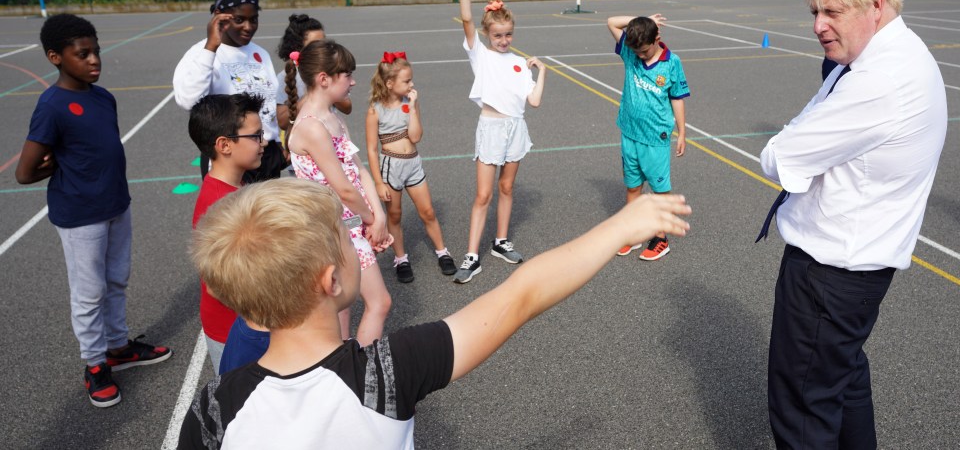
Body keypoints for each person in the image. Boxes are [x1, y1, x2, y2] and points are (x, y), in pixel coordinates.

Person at [179, 178, 692, 448]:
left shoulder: (211, 412)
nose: (359, 244)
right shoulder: (385, 372)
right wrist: (620, 227)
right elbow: (520, 295)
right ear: (332, 282)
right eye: (349, 239)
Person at [757, 0, 947, 449]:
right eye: (814, 12)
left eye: (832, 12)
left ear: (877, 5)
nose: (819, 24)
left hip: (829, 272)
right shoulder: (888, 56)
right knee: (841, 387)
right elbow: (808, 130)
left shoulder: (879, 82)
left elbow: (781, 156)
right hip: (855, 269)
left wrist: (791, 136)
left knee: (803, 410)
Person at [15, 14, 171, 408]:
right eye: (81, 54)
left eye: (95, 51)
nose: (93, 60)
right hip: (80, 214)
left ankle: (117, 347)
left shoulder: (102, 97)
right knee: (89, 294)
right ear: (56, 57)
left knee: (117, 279)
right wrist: (53, 168)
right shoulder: (52, 106)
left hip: (116, 204)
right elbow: (23, 172)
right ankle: (95, 364)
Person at [285, 39, 393, 346]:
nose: (353, 81)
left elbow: (358, 171)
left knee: (342, 306)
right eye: (346, 74)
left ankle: (343, 364)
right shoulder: (311, 127)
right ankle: (358, 369)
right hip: (335, 231)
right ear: (324, 79)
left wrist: (378, 217)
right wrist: (372, 219)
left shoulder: (334, 118)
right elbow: (343, 189)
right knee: (379, 302)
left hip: (354, 226)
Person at [453, 0, 546, 284]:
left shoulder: (520, 63)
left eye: (508, 34)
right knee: (483, 195)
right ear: (487, 34)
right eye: (498, 35)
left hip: (515, 129)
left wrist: (543, 71)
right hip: (491, 128)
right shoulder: (481, 55)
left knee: (507, 187)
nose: (504, 40)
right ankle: (472, 255)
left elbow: (533, 101)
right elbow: (465, 17)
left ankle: (501, 242)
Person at [173, 0, 285, 181]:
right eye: (239, 20)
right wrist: (211, 47)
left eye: (254, 19)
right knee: (236, 214)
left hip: (265, 154)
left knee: (268, 214)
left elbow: (268, 104)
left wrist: (276, 143)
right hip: (230, 158)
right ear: (219, 16)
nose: (248, 27)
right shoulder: (201, 54)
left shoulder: (259, 53)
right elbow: (188, 100)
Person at [187, 93, 267, 373]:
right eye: (255, 136)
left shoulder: (234, 187)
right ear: (224, 145)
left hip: (243, 326)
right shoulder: (220, 205)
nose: (263, 142)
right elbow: (217, 285)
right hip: (235, 333)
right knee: (243, 406)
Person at [365, 51, 457, 283]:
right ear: (389, 83)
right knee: (394, 215)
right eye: (407, 81)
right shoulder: (375, 110)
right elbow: (371, 150)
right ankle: (401, 258)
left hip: (413, 164)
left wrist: (414, 108)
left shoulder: (410, 104)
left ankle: (442, 252)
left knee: (428, 212)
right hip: (390, 167)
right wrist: (378, 181)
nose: (412, 84)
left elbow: (416, 137)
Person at [606, 14, 689, 260]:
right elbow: (611, 22)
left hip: (655, 137)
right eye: (637, 52)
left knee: (659, 190)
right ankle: (633, 233)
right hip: (630, 133)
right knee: (633, 187)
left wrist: (682, 131)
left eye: (644, 51)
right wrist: (641, 19)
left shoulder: (671, 62)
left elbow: (677, 97)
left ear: (656, 39)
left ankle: (661, 238)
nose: (640, 56)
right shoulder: (630, 52)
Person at [275, 13, 351, 132]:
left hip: (332, 133)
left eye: (324, 42)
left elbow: (347, 107)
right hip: (305, 138)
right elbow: (283, 122)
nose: (323, 47)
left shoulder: (330, 71)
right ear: (297, 47)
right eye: (315, 44)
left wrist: (330, 89)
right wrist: (312, 94)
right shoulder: (286, 76)